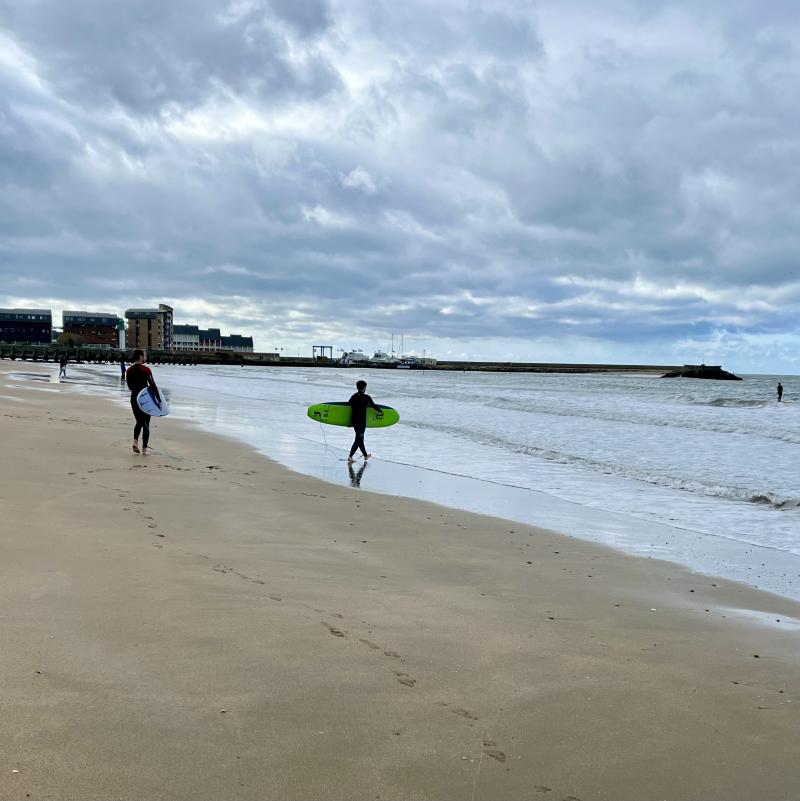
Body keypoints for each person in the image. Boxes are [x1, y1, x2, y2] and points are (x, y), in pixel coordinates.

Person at [125, 349, 161, 454]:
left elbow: (130, 387)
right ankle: (144, 449)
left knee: (139, 421)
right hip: (145, 399)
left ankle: (135, 441)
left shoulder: (129, 370)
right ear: (140, 357)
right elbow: (153, 386)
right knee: (146, 422)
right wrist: (158, 400)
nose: (146, 357)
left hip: (134, 398)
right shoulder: (146, 370)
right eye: (145, 355)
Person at [347, 379, 383, 463]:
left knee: (360, 438)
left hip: (354, 421)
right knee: (358, 439)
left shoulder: (354, 396)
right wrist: (381, 411)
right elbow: (373, 406)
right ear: (364, 388)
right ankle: (350, 456)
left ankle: (365, 455)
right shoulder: (366, 397)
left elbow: (348, 405)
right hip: (361, 422)